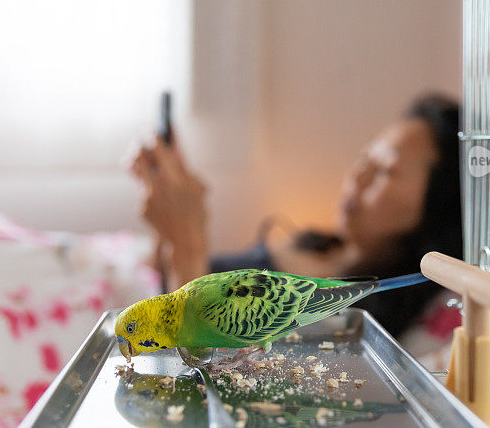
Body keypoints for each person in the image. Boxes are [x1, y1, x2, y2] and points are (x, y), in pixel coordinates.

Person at [130, 95, 462, 338]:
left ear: (435, 209)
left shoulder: (354, 320)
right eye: (365, 158)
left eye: (385, 171)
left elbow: (206, 374)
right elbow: (167, 281)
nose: (357, 175)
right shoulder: (316, 244)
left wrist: (189, 241)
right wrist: (168, 208)